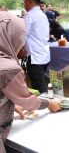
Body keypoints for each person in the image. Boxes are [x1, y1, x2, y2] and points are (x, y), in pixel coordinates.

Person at [0, 11, 60, 153]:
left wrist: (11, 105)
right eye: (21, 37)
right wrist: (49, 104)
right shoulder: (8, 69)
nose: (22, 43)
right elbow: (27, 100)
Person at [24, 0, 50, 93]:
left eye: (25, 2)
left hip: (35, 57)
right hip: (44, 55)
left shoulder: (29, 15)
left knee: (39, 87)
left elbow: (23, 35)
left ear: (30, 1)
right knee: (41, 83)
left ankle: (45, 106)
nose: (24, 4)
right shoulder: (42, 15)